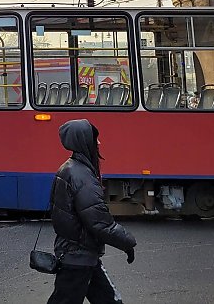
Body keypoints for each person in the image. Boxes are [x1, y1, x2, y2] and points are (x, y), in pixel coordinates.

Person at [47, 119, 137, 304]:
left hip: (82, 255)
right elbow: (99, 222)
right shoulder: (81, 176)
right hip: (78, 257)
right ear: (83, 141)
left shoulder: (71, 169)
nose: (99, 143)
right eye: (95, 139)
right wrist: (127, 242)